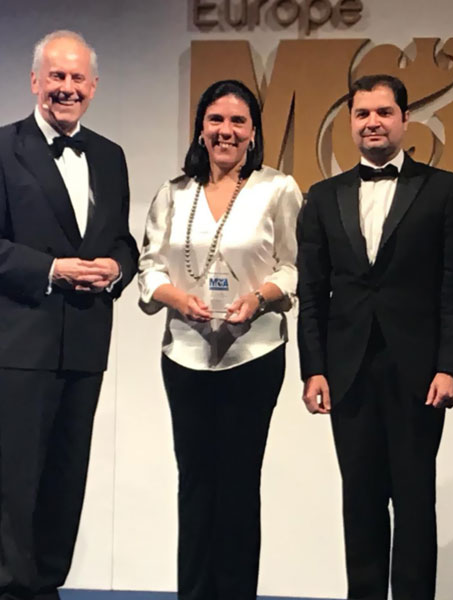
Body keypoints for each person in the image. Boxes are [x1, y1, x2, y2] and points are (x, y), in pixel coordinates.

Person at [0, 30, 138, 600]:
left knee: (66, 474)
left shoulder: (109, 155)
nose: (67, 87)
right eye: (56, 75)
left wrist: (119, 267)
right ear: (35, 80)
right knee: (19, 475)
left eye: (77, 77)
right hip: (24, 340)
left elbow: (122, 239)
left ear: (94, 86)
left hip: (86, 339)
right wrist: (51, 269)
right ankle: (13, 590)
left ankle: (46, 587)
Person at [296, 74, 453, 600]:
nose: (372, 122)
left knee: (415, 502)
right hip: (348, 371)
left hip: (419, 372)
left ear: (405, 119)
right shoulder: (322, 196)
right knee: (360, 502)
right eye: (362, 113)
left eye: (383, 112)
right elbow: (312, 291)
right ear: (350, 122)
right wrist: (313, 368)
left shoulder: (442, 189)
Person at [138, 79, 301, 600]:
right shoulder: (173, 192)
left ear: (253, 132)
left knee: (238, 484)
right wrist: (175, 297)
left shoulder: (278, 189)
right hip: (184, 353)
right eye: (215, 120)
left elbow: (295, 267)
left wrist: (259, 298)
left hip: (253, 352)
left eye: (237, 121)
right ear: (200, 128)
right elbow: (148, 266)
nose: (225, 131)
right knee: (194, 482)